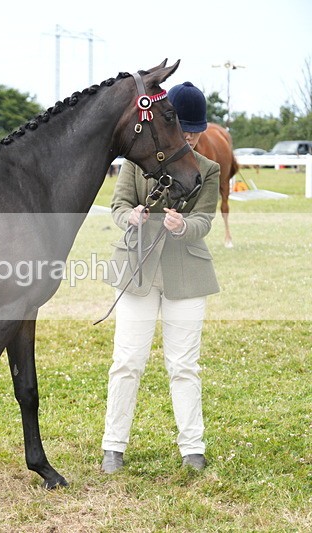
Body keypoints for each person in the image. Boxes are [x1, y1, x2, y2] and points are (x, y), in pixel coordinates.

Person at [101, 81, 221, 474]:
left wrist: (183, 226)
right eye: (182, 129)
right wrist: (130, 216)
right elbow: (118, 204)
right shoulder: (138, 162)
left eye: (194, 130)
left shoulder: (209, 169)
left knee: (183, 365)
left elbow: (205, 219)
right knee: (127, 361)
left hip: (185, 276)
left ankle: (193, 448)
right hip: (138, 271)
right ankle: (113, 447)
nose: (188, 137)